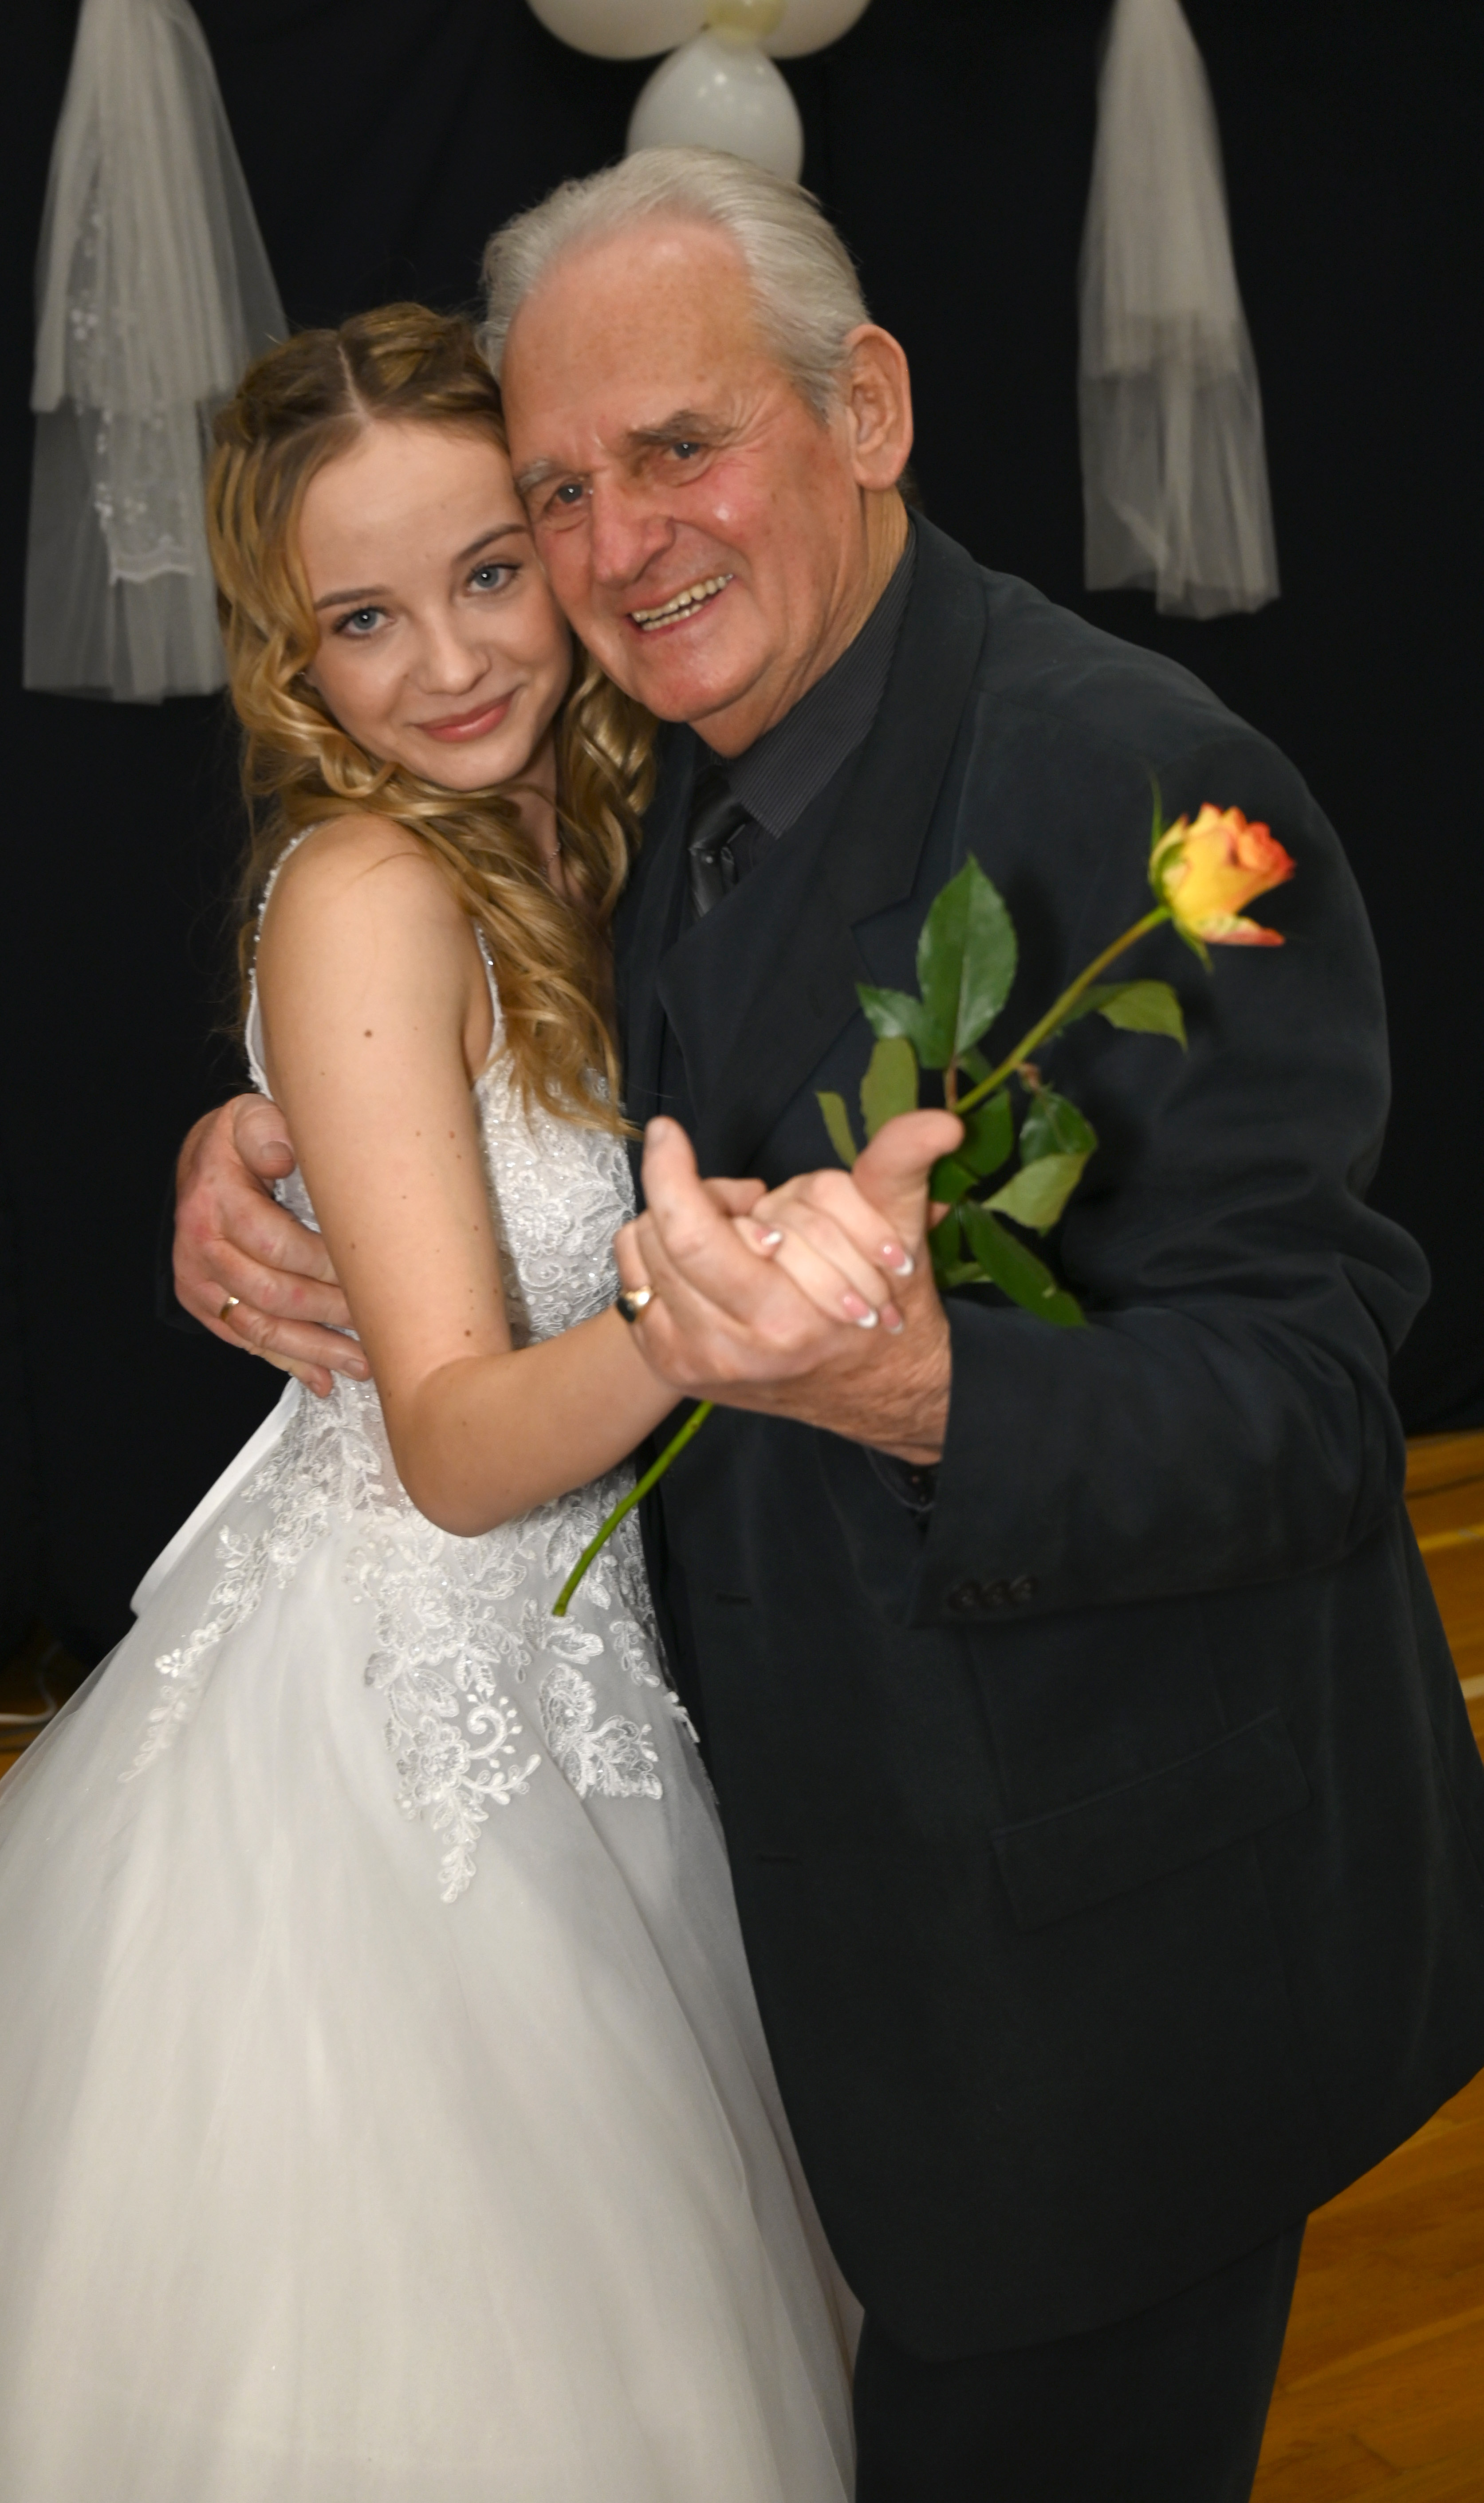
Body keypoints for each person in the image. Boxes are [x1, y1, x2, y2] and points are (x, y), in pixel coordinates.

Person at [177, 153, 1484, 2501]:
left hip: (1105, 1985)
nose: (617, 544)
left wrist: (920, 1387)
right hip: (790, 1935)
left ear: (863, 408)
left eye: (680, 446)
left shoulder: (1127, 783)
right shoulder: (634, 763)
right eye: (559, 490)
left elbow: (1305, 1404)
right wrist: (269, 1131)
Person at [0, 304, 874, 2502]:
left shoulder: (608, 818)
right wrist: (698, 1318)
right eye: (367, 618)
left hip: (605, 1682)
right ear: (291, 656)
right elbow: (455, 1446)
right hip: (404, 1736)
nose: (455, 660)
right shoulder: (371, 889)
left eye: (489, 571)